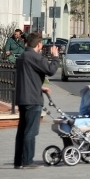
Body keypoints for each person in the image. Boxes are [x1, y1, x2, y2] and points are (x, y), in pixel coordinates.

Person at [13, 34, 59, 169]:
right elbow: (50, 70)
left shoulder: (22, 57)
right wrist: (55, 57)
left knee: (22, 130)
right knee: (30, 131)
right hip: (33, 99)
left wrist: (40, 87)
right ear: (38, 44)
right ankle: (28, 161)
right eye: (41, 44)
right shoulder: (35, 57)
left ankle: (18, 161)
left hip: (23, 97)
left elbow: (28, 77)